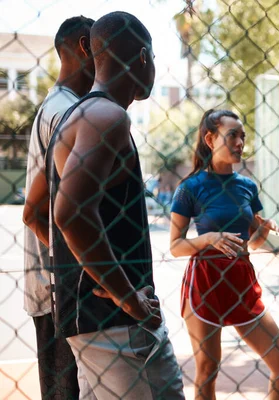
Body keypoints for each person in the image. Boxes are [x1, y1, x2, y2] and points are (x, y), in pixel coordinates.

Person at [24, 11, 184, 399]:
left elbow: (35, 210)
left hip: (91, 323)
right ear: (143, 57)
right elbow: (69, 214)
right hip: (120, 328)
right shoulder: (109, 116)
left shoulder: (70, 117)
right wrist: (126, 295)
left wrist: (85, 274)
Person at [170, 109, 279, 400]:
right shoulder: (190, 187)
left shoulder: (247, 187)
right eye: (233, 135)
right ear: (210, 139)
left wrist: (263, 229)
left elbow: (254, 243)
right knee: (207, 369)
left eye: (243, 136)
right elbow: (175, 246)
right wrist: (209, 239)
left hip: (241, 282)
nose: (240, 142)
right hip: (205, 283)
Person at [22, 15, 95, 399]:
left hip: (59, 287)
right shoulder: (68, 112)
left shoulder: (60, 105)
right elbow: (42, 212)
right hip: (62, 292)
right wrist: (72, 265)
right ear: (86, 46)